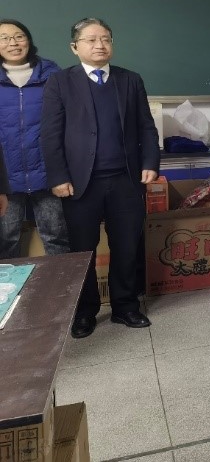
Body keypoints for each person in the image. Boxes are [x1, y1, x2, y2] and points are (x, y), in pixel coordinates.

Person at [41, 18, 159, 339]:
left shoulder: (130, 80)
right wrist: (58, 176)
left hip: (125, 180)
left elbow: (146, 126)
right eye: (91, 39)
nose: (100, 45)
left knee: (127, 246)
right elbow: (50, 134)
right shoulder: (60, 83)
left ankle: (125, 306)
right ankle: (85, 312)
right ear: (74, 47)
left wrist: (150, 162)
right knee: (83, 251)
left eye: (105, 39)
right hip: (80, 184)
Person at [0, 19, 68, 259]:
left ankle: (61, 282)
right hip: (6, 177)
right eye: (4, 38)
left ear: (28, 40)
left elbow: (66, 121)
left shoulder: (52, 75)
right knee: (6, 239)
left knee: (56, 236)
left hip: (47, 173)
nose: (13, 43)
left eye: (19, 36)